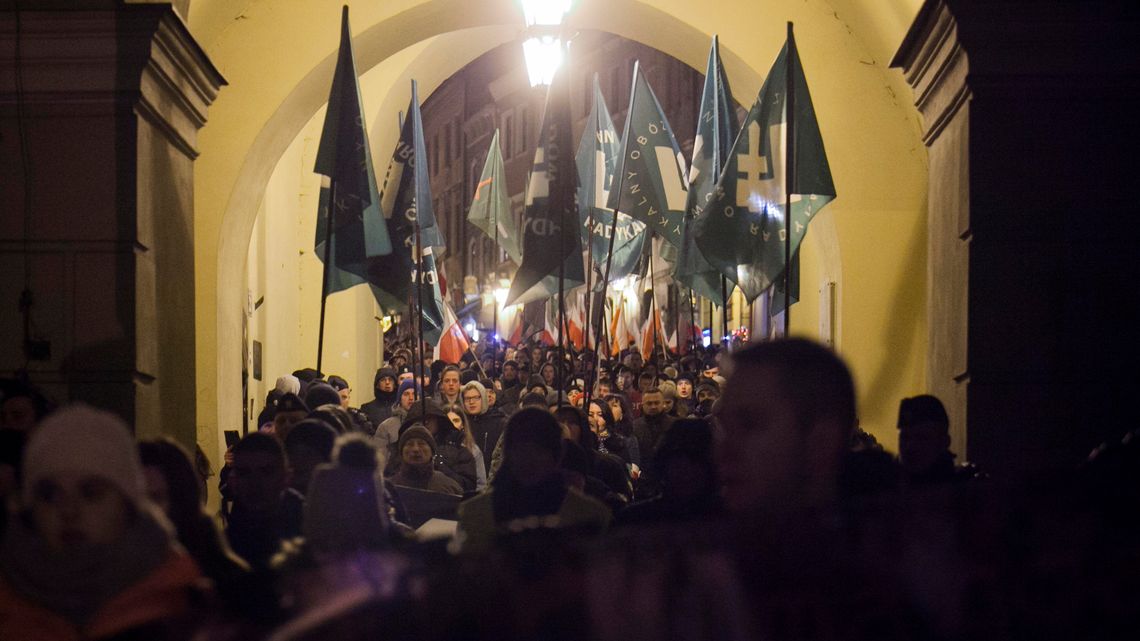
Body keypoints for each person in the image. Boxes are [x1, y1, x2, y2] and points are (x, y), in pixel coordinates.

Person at [0, 405, 204, 640]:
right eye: (50, 494)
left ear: (126, 504)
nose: (68, 511)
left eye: (91, 493)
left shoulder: (188, 613)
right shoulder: (9, 611)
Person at [455, 408, 611, 555]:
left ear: (557, 455)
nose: (530, 459)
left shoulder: (587, 516)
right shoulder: (475, 513)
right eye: (522, 449)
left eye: (539, 450)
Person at [138, 437, 249, 599]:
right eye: (138, 498)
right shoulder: (113, 574)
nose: (145, 509)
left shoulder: (220, 578)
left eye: (156, 498)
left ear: (181, 500)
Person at [616, 418, 722, 525]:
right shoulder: (726, 518)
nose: (686, 473)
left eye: (695, 461)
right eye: (678, 463)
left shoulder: (636, 517)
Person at [224, 432, 304, 570]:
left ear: (286, 477)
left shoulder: (309, 537)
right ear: (233, 480)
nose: (254, 483)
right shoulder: (223, 545)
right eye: (244, 473)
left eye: (266, 472)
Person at [897, 394, 983, 486]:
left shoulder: (965, 488)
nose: (910, 446)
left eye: (921, 438)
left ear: (944, 442)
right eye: (904, 437)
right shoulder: (891, 486)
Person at [386, 425, 463, 496]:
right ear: (401, 452)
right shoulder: (388, 489)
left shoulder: (449, 488)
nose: (415, 449)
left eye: (421, 444)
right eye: (409, 444)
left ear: (432, 452)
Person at [632, 388, 674, 498]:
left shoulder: (675, 425)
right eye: (649, 403)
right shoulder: (634, 427)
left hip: (669, 480)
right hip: (643, 482)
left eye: (657, 403)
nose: (653, 406)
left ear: (663, 403)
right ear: (642, 405)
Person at [460, 381, 504, 474]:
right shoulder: (460, 423)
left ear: (483, 398)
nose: (471, 402)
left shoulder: (499, 422)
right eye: (467, 399)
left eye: (476, 398)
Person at [445, 407, 486, 491]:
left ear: (462, 424)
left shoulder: (473, 449)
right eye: (448, 421)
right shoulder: (434, 446)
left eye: (456, 420)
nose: (452, 424)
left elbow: (481, 484)